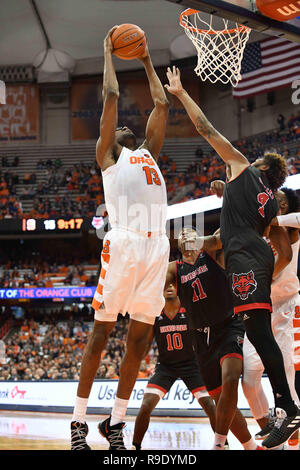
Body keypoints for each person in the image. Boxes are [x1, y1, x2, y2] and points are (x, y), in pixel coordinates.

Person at [164, 66, 300, 450]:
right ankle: (286, 408)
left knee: (259, 334)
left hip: (244, 260)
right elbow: (276, 242)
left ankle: (288, 408)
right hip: (250, 258)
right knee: (258, 332)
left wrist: (181, 94)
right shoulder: (269, 200)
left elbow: (207, 130)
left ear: (258, 168)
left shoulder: (243, 165)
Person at [70, 27, 170, 451]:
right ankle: (77, 423)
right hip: (126, 242)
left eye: (132, 128)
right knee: (100, 335)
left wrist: (147, 59)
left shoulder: (149, 152)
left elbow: (162, 103)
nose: (127, 127)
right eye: (120, 128)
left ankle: (115, 424)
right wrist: (108, 52)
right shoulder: (109, 155)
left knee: (140, 341)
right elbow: (110, 99)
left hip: (157, 246)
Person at [162, 226, 262, 451]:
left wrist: (203, 241)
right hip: (200, 338)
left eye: (191, 231)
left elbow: (222, 235)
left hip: (229, 325)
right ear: (177, 245)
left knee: (230, 379)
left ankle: (218, 444)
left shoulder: (213, 253)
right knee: (219, 398)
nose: (186, 235)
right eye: (182, 234)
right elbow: (159, 281)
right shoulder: (174, 268)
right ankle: (251, 447)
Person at [242, 188, 300, 450]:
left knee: (286, 375)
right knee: (250, 378)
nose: (279, 204)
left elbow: (286, 257)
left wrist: (274, 220)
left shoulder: (290, 229)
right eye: (276, 201)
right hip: (260, 307)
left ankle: (290, 424)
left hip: (287, 306)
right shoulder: (258, 231)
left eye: (284, 202)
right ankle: (271, 423)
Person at [132, 281, 216, 450]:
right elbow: (146, 344)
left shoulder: (190, 308)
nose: (169, 287)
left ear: (179, 286)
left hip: (192, 366)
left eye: (172, 283)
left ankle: (223, 443)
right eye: (164, 284)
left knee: (208, 404)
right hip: (166, 367)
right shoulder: (155, 313)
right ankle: (135, 446)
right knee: (146, 405)